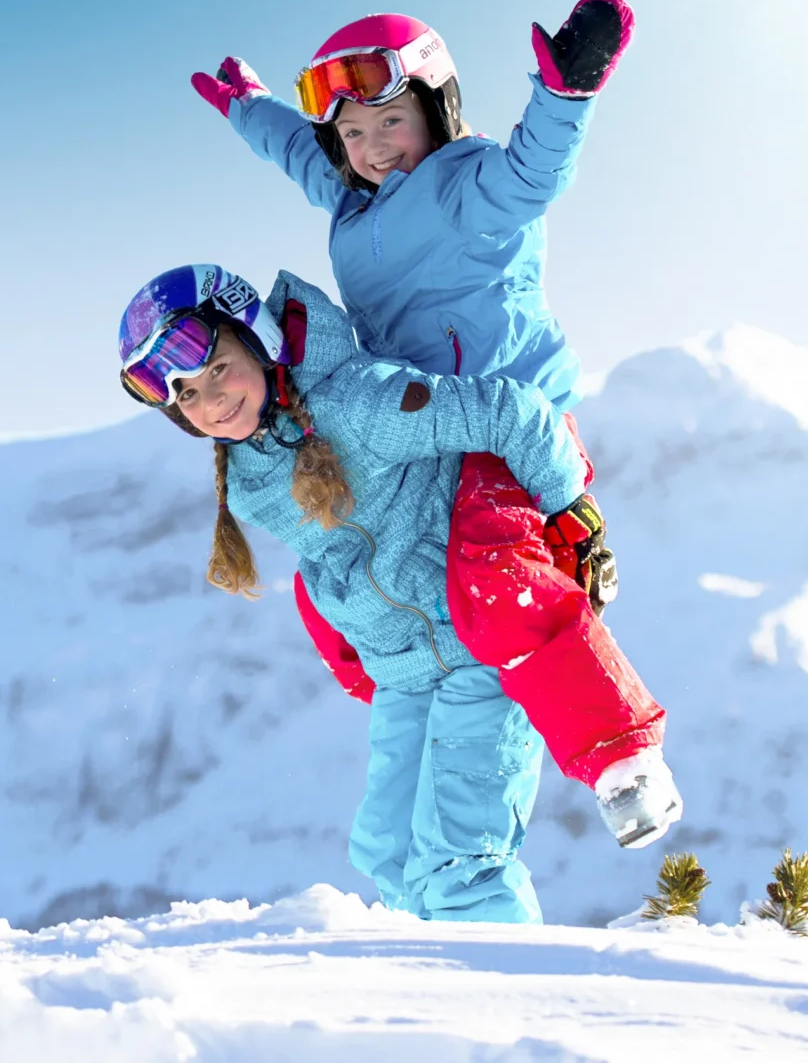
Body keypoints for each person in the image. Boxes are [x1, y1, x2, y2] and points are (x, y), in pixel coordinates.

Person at [188, 0, 680, 846]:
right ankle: (407, 688)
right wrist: (248, 109)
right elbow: (301, 155)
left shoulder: (469, 184)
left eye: (390, 123)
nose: (373, 150)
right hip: (420, 431)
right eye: (355, 135)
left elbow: (538, 172)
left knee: (495, 568)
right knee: (336, 563)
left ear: (435, 108)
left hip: (500, 415)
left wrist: (567, 94)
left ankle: (623, 760)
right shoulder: (352, 202)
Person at [116, 263, 640, 921]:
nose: (213, 400)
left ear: (258, 337)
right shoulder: (250, 475)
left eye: (219, 367)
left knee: (461, 862)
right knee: (388, 853)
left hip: (481, 649)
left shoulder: (360, 405)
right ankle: (441, 990)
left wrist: (575, 519)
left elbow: (512, 413)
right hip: (404, 670)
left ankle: (508, 1005)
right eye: (188, 396)